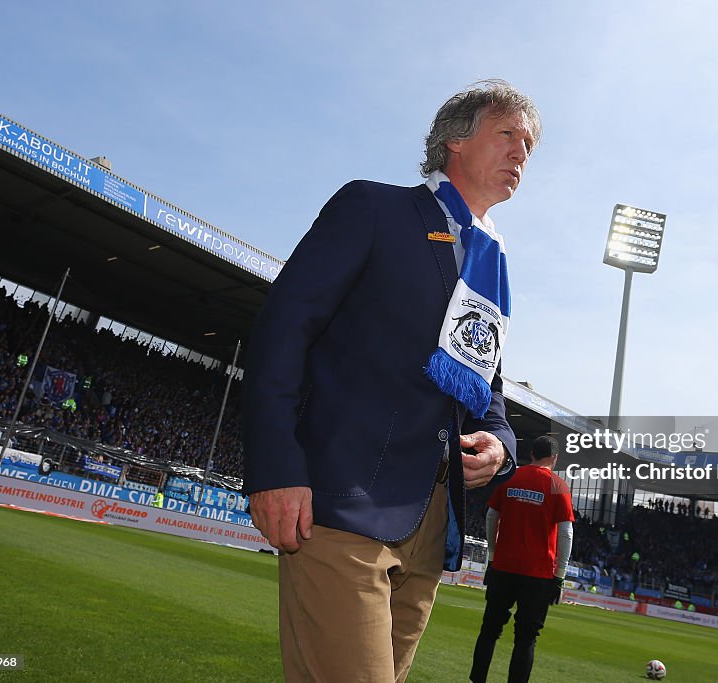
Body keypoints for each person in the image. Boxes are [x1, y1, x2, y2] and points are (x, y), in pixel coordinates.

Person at [242, 79, 540, 682]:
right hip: (341, 506)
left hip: (431, 528)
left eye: (529, 145)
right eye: (507, 134)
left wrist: (501, 446)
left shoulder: (491, 264)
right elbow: (282, 331)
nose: (521, 154)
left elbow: (490, 397)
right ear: (456, 140)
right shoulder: (375, 209)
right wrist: (276, 469)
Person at [470, 435, 574, 683]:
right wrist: (559, 576)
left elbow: (491, 516)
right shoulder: (558, 485)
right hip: (538, 574)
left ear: (532, 454)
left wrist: (493, 557)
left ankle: (477, 680)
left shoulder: (511, 477)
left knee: (489, 630)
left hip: (503, 566)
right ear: (555, 458)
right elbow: (566, 533)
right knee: (526, 638)